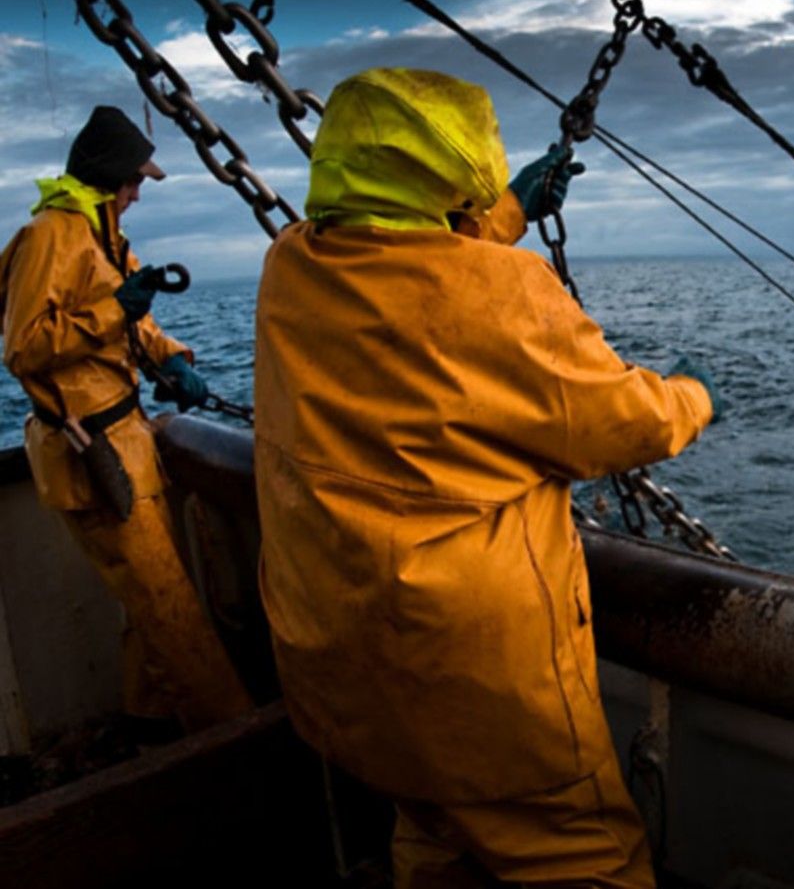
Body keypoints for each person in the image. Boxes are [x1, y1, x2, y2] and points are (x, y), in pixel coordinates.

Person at [253, 67, 718, 888]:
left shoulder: (293, 266)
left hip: (347, 674)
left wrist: (509, 211)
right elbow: (626, 424)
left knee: (431, 836)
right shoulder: (504, 292)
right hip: (476, 686)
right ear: (461, 174)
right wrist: (692, 392)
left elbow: (410, 268)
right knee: (584, 858)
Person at [0, 105, 253, 734]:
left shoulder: (103, 235)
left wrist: (177, 364)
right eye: (134, 180)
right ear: (110, 173)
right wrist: (114, 312)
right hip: (89, 453)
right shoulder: (50, 235)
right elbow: (24, 347)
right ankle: (233, 738)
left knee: (151, 606)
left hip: (130, 439)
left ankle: (150, 725)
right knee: (171, 611)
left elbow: (135, 320)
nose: (139, 192)